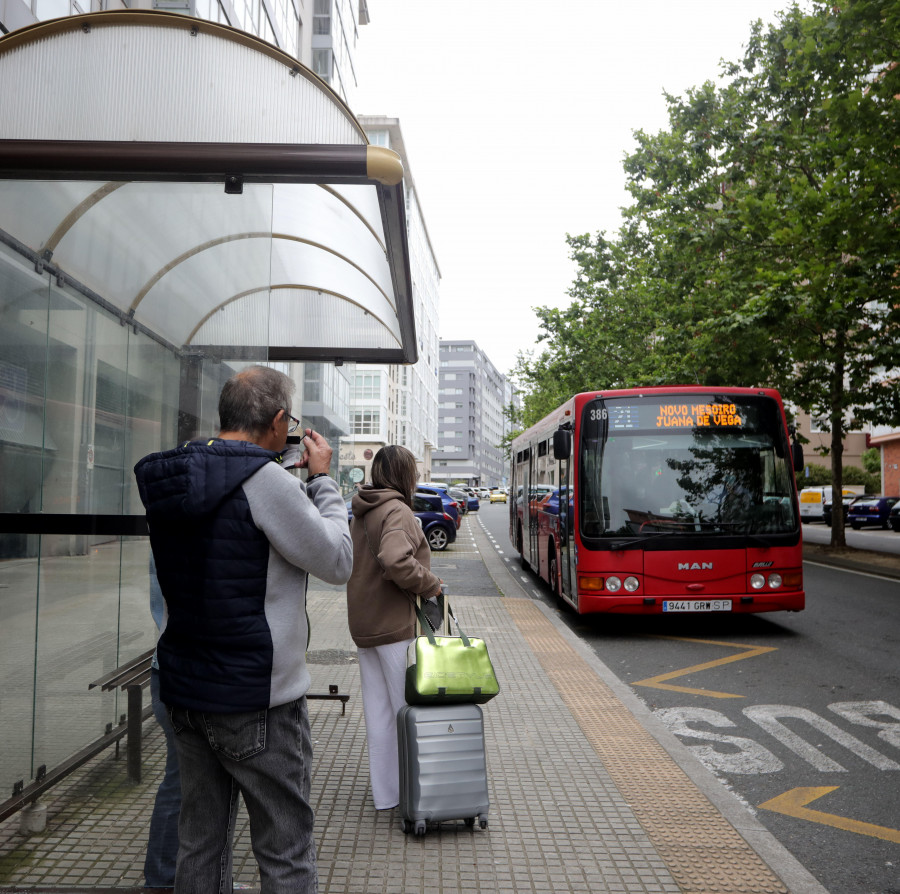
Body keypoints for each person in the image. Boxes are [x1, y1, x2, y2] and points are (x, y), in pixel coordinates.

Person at [134, 365, 352, 894]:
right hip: (259, 703)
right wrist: (322, 481)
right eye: (290, 420)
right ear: (279, 422)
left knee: (200, 846)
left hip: (185, 692)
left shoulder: (175, 477)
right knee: (285, 853)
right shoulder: (268, 482)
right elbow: (338, 560)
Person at [346, 445, 442, 810]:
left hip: (365, 623)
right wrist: (430, 583)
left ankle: (387, 795)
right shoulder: (398, 509)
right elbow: (394, 559)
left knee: (379, 713)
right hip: (393, 626)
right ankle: (415, 794)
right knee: (407, 710)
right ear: (405, 474)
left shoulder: (362, 509)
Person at [144, 551, 180, 889]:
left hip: (167, 667)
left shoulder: (165, 515)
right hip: (177, 673)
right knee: (181, 782)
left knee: (182, 780)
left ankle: (165, 874)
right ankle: (162, 877)